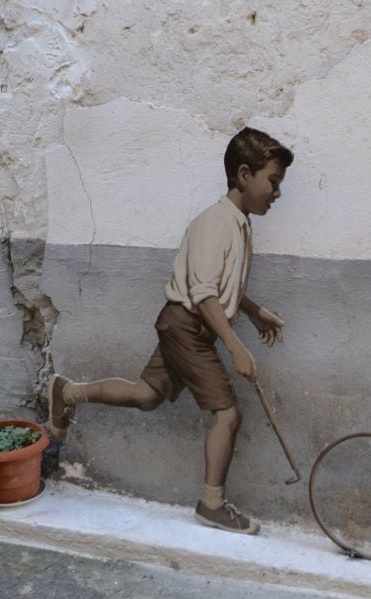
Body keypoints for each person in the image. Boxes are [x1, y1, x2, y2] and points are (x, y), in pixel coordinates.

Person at [47, 127, 293, 535]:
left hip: (184, 324)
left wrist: (253, 312)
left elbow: (220, 286)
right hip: (187, 326)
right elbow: (203, 294)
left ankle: (68, 391)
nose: (277, 192)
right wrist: (235, 348)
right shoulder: (217, 223)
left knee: (146, 396)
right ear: (244, 174)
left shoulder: (238, 223)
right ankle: (211, 504)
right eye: (273, 181)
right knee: (227, 413)